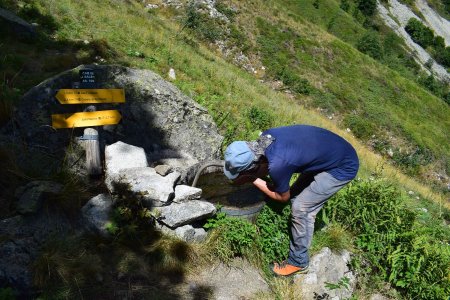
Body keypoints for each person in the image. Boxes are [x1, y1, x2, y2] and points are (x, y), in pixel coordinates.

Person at [223, 125, 359, 276]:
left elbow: (282, 197)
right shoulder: (266, 138)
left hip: (342, 166)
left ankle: (299, 262)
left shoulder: (278, 165)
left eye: (248, 171)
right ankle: (294, 230)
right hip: (327, 151)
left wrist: (252, 179)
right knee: (294, 195)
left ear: (258, 163)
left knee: (301, 208)